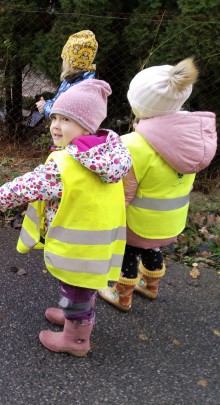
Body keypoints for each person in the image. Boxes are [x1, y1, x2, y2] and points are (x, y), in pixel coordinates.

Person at [0, 79, 132, 357]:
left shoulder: (67, 165)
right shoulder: (106, 155)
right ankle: (72, 318)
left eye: (66, 119)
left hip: (75, 247)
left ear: (87, 125)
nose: (55, 125)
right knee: (81, 290)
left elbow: (29, 185)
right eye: (54, 117)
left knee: (77, 291)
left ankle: (76, 340)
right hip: (99, 246)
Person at [99, 58, 217, 312]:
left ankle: (122, 295)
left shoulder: (134, 144)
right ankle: (150, 286)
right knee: (152, 248)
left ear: (139, 105)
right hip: (170, 222)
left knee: (128, 253)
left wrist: (106, 218)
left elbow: (123, 193)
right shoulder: (191, 140)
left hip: (137, 222)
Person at [28, 30, 98, 128]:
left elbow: (63, 112)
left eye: (64, 59)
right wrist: (46, 104)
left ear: (70, 62)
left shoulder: (80, 86)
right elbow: (59, 102)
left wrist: (45, 107)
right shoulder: (72, 79)